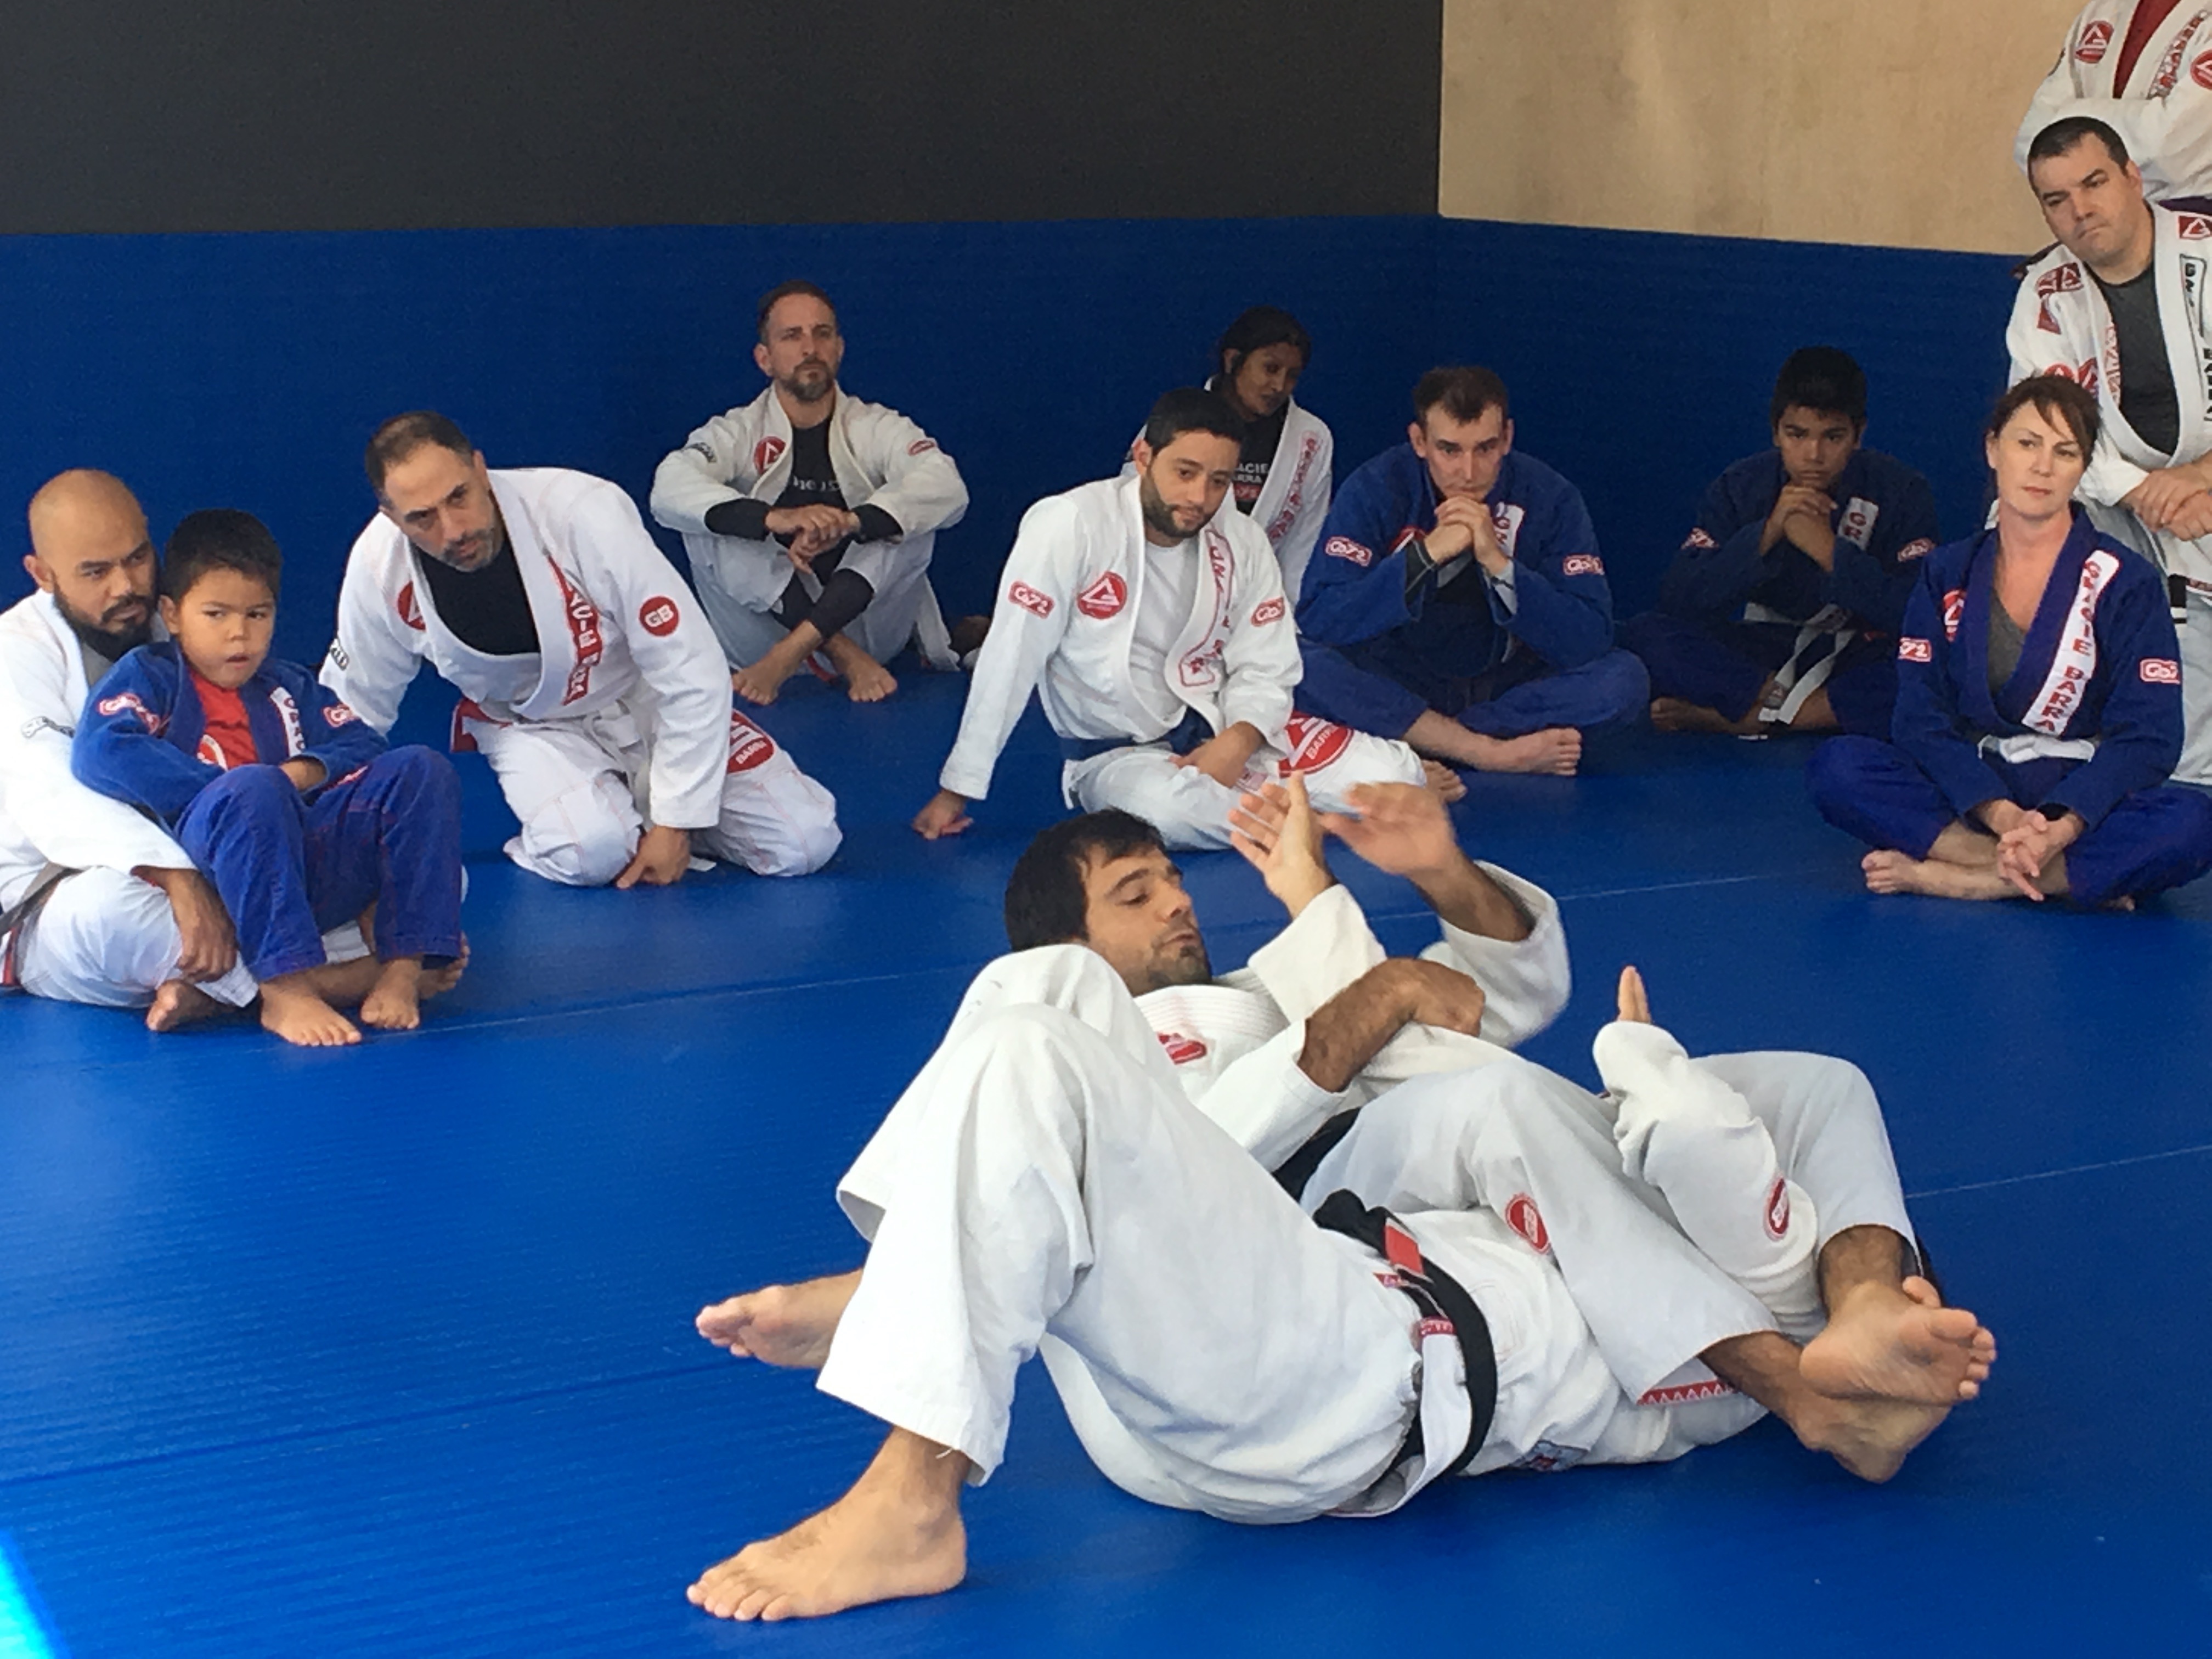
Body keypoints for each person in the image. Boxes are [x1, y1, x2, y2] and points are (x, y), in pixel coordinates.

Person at [680, 942, 1993, 1622]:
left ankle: (914, 1489)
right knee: (1051, 983)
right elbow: (1819, 1101)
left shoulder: (1724, 1337)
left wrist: (1810, 1378)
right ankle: (916, 1279)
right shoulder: (1685, 1170)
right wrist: (1866, 1291)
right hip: (1295, 1306)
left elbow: (1700, 1144)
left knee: (1037, 1054)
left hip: (1352, 1378)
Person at [323, 411, 840, 888]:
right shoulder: (380, 568)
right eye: (423, 518)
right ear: (392, 517)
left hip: (645, 699)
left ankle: (651, 806)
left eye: (459, 496)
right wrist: (324, 831)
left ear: (481, 469)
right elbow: (353, 708)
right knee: (592, 853)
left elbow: (688, 663)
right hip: (529, 724)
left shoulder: (578, 512)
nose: (453, 529)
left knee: (804, 841)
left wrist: (677, 821)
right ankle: (606, 815)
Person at [912, 388, 1442, 851]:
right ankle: (1311, 820)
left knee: (1396, 773)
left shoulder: (1241, 541)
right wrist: (958, 786)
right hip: (1120, 760)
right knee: (1168, 811)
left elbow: (1268, 663)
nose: (1199, 498)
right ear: (1144, 457)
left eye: (1219, 481)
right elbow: (1011, 654)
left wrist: (1238, 740)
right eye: (1185, 473)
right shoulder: (1072, 524)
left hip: (1229, 735)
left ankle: (1280, 807)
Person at [1807, 376, 2212, 905]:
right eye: (2027, 444)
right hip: (1977, 785)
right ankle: (2050, 874)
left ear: (2083, 469)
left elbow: (2150, 736)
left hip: (2080, 794)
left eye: (2065, 452)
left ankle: (1966, 879)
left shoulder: (2124, 580)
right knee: (1839, 768)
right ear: (1993, 449)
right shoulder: (1947, 572)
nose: (2043, 467)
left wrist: (2062, 824)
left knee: (2193, 822)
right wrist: (1999, 814)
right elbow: (1919, 717)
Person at [73, 510, 467, 1045]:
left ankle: (403, 968)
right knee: (253, 788)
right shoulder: (151, 676)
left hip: (303, 859)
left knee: (420, 768)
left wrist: (300, 773)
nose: (239, 633)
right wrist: (226, 786)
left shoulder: (288, 685)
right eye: (216, 614)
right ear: (172, 614)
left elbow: (361, 744)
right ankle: (285, 990)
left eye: (257, 614)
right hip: (217, 872)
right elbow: (103, 749)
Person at [2, 471, 375, 1027]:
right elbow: (58, 797)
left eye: (137, 558)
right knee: (111, 914)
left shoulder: (184, 618)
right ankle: (341, 979)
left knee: (411, 871)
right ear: (43, 574)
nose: (125, 586)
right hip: (62, 888)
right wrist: (177, 876)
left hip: (218, 857)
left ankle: (222, 990)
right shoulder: (15, 653)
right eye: (96, 572)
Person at [1295, 367, 1649, 777]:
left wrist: (1500, 565)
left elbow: (1590, 637)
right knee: (1299, 664)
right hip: (1403, 677)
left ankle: (1435, 739)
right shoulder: (1377, 487)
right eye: (1450, 450)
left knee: (1625, 679)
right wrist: (1424, 557)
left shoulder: (1551, 496)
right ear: (1419, 442)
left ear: (1508, 438)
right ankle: (1485, 751)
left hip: (1509, 689)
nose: (1468, 472)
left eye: (1485, 449)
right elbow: (1320, 618)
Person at [650, 280, 970, 704]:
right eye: (791, 336)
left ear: (839, 348)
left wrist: (851, 523)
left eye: (822, 334)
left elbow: (947, 485)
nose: (810, 348)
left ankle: (799, 651)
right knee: (704, 524)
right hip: (760, 639)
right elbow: (668, 488)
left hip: (868, 630)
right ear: (764, 359)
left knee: (910, 524)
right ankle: (840, 653)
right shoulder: (736, 430)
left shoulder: (876, 426)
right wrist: (772, 519)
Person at [2010, 115, 2212, 783]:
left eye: (2094, 183)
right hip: (2123, 504)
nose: (2080, 210)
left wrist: (2200, 478)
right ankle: (2049, 732)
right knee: (2022, 516)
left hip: (2204, 496)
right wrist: (2147, 491)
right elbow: (2042, 432)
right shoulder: (2046, 293)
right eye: (2056, 199)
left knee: (2191, 734)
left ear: (2133, 177)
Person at [1621, 348, 1939, 737]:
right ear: (1776, 432)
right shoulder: (1741, 487)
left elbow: (1919, 616)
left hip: (1859, 652)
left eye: (1833, 437)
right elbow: (1679, 602)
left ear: (1859, 435)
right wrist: (1767, 534)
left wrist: (1829, 552)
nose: (1814, 455)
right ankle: (1779, 701)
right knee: (1644, 634)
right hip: (1763, 654)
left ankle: (1751, 718)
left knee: (1934, 664)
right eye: (1797, 434)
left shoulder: (1901, 490)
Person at [1121, 306, 1335, 601]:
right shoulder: (1181, 420)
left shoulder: (1311, 438)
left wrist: (1286, 615)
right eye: (1270, 369)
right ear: (1233, 360)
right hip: (1165, 592)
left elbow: (1304, 543)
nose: (1279, 386)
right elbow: (1132, 508)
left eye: (1292, 376)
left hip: (1256, 598)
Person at [2017, 3, 2212, 203]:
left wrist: (2064, 119)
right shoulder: (2103, 9)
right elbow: (2032, 144)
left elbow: (2170, 148)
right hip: (2098, 215)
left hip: (2193, 213)